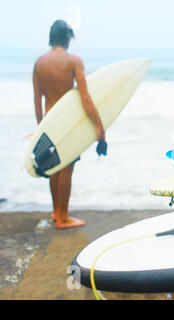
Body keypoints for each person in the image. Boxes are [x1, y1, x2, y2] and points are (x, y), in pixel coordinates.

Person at [32, 20, 105, 229]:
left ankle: (56, 212)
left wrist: (40, 129)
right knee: (66, 168)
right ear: (67, 37)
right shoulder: (73, 61)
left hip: (48, 119)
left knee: (54, 166)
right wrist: (99, 125)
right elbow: (85, 97)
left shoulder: (39, 63)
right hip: (66, 121)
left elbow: (37, 100)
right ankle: (63, 217)